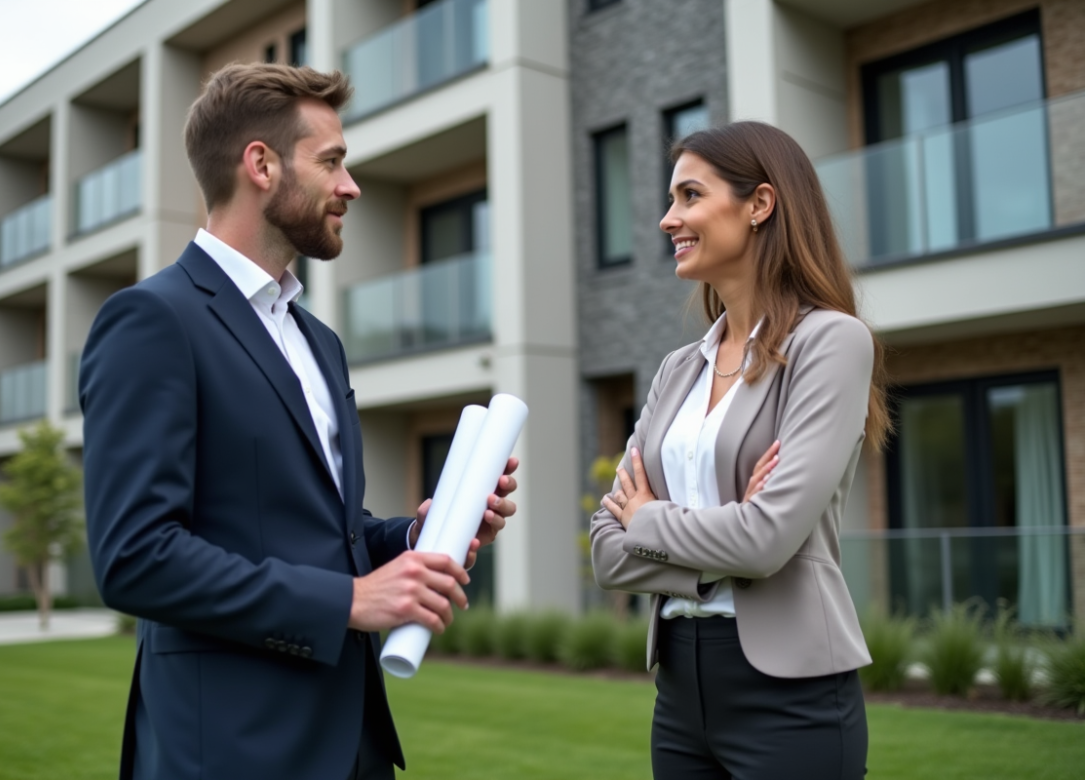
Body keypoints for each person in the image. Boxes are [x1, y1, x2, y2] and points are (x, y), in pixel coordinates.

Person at [80, 63, 518, 780]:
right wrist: (349, 600)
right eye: (332, 162)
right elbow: (136, 557)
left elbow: (322, 532)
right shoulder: (153, 321)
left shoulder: (319, 341)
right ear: (261, 165)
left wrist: (417, 538)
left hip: (353, 745)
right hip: (228, 751)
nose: (351, 186)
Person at [590, 120, 890, 780]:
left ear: (760, 204)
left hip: (791, 697)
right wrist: (713, 553)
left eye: (690, 196)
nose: (668, 219)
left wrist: (648, 520)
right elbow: (605, 550)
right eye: (671, 200)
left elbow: (766, 540)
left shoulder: (831, 343)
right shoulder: (678, 369)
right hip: (679, 693)